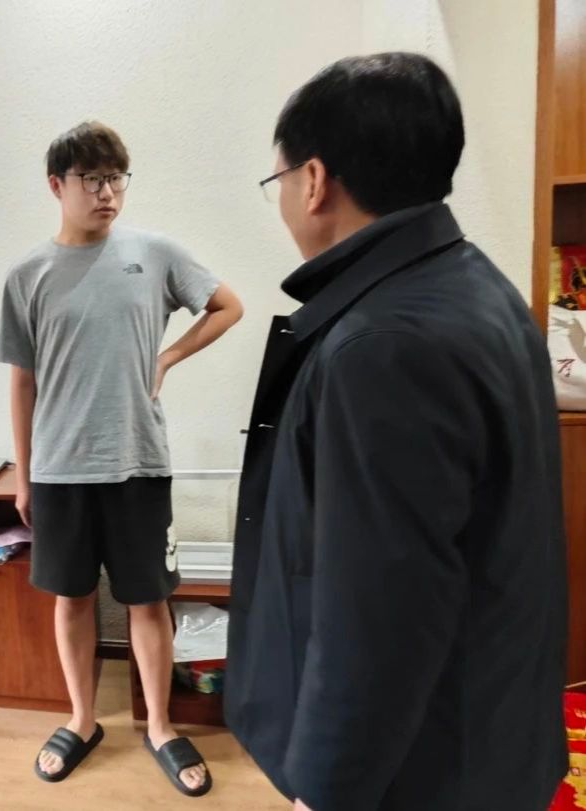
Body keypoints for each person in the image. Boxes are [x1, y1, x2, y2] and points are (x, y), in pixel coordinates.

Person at [226, 52, 569, 811]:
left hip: (425, 770)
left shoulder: (381, 346)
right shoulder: (475, 286)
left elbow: (378, 614)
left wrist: (325, 791)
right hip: (488, 730)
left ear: (315, 181)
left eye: (279, 180)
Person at [0, 121, 243, 796]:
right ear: (58, 186)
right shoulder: (27, 275)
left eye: (116, 179)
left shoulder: (154, 254)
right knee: (71, 598)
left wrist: (168, 355)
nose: (107, 193)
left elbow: (227, 306)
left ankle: (160, 724)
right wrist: (24, 473)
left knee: (148, 599)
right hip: (59, 469)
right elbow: (22, 382)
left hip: (139, 463)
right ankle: (82, 719)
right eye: (92, 180)